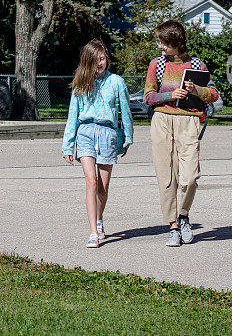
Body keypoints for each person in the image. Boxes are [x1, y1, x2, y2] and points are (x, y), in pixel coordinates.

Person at [143, 20, 219, 247]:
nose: (160, 47)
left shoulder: (197, 65)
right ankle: (173, 227)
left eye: (164, 42)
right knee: (167, 178)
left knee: (190, 177)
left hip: (189, 121)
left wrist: (197, 90)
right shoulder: (156, 65)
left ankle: (183, 215)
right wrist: (168, 95)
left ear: (176, 43)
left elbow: (214, 94)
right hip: (162, 121)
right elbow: (147, 97)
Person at [62, 39, 134, 248]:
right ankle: (93, 232)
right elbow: (72, 115)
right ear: (88, 63)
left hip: (107, 134)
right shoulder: (81, 83)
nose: (99, 64)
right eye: (95, 60)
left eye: (102, 59)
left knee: (102, 188)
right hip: (85, 132)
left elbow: (125, 112)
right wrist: (68, 145)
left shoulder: (117, 82)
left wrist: (127, 137)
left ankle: (100, 220)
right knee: (91, 182)